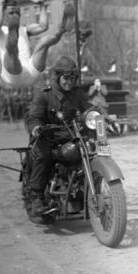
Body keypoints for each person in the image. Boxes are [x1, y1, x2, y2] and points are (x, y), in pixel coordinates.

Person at [25, 55, 91, 222]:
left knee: (91, 149)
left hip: (71, 136)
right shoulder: (45, 94)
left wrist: (101, 115)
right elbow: (33, 116)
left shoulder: (77, 94)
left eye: (72, 78)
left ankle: (87, 189)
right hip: (48, 137)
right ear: (58, 76)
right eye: (66, 78)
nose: (69, 82)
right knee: (43, 155)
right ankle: (37, 199)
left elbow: (88, 108)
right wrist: (36, 128)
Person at [0, 0, 75, 88]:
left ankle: (62, 29)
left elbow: (43, 26)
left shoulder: (24, 29)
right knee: (12, 51)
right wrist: (0, 3)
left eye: (17, 13)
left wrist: (42, 5)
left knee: (44, 42)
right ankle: (12, 38)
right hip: (12, 75)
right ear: (2, 14)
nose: (16, 15)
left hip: (30, 73)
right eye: (11, 13)